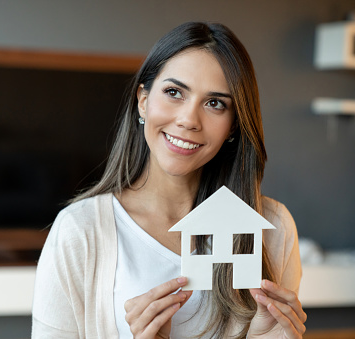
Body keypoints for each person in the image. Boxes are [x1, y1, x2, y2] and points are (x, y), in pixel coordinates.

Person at [31, 21, 306, 339]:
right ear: (143, 100)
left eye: (215, 103)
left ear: (233, 125)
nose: (189, 120)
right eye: (174, 92)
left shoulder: (273, 229)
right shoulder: (79, 232)